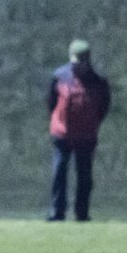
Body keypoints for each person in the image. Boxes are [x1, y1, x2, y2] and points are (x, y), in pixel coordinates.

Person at [47, 39, 111, 221]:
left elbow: (104, 107)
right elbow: (51, 102)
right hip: (62, 133)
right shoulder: (59, 77)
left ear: (87, 61)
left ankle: (82, 213)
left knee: (85, 177)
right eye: (74, 62)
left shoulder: (98, 82)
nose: (77, 67)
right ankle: (57, 212)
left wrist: (92, 124)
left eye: (80, 62)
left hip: (86, 136)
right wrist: (58, 122)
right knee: (59, 173)